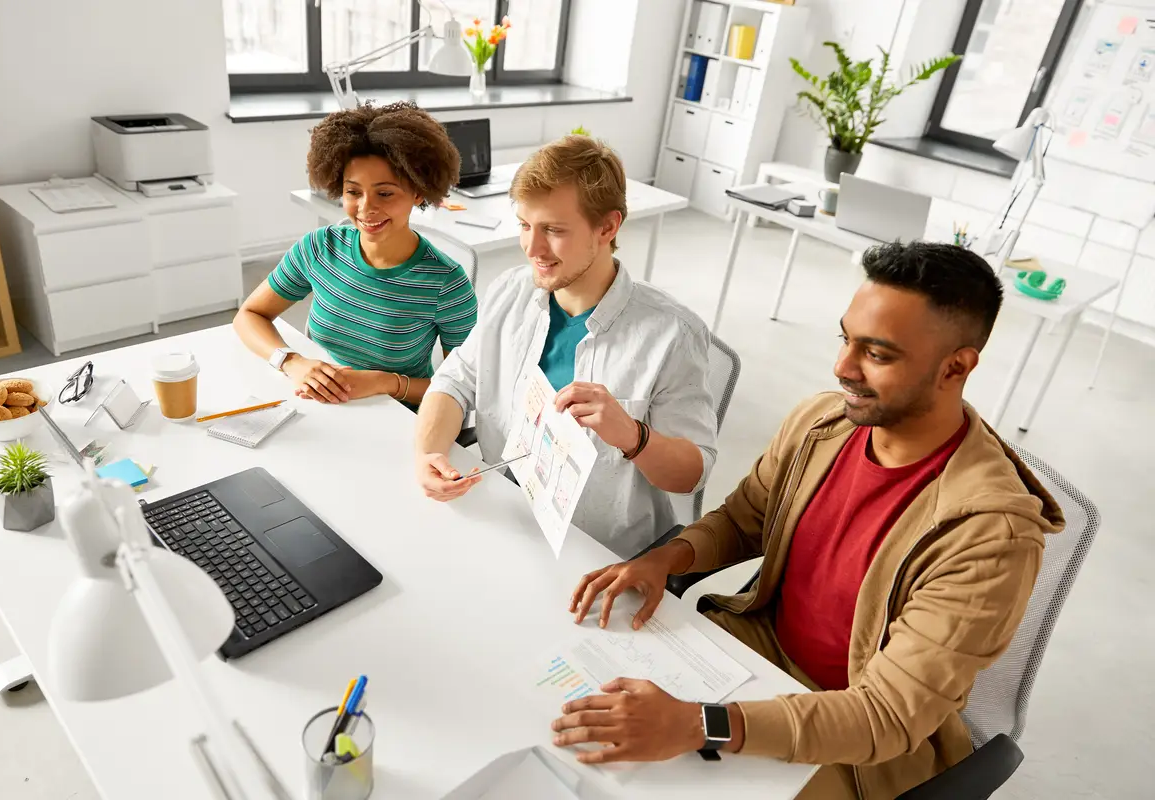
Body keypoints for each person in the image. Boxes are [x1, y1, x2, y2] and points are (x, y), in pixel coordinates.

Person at [555, 241, 1065, 799]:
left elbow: (886, 717)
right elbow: (744, 520)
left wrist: (698, 725)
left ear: (956, 367)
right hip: (757, 652)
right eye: (846, 339)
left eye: (878, 354)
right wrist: (664, 559)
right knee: (586, 720)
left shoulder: (993, 537)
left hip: (858, 740)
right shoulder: (822, 423)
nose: (843, 368)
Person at [414, 135, 717, 558]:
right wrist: (429, 452)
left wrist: (632, 435)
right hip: (506, 519)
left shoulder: (673, 334)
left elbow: (691, 476)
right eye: (525, 226)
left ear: (607, 227)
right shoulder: (509, 291)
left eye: (553, 230)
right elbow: (455, 380)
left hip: (599, 553)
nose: (532, 249)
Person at [234, 102, 477, 406]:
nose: (365, 208)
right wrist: (292, 362)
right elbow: (250, 315)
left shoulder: (446, 283)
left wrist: (383, 382)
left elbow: (466, 387)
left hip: (397, 417)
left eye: (385, 193)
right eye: (353, 192)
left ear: (418, 192)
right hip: (322, 404)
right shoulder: (319, 248)